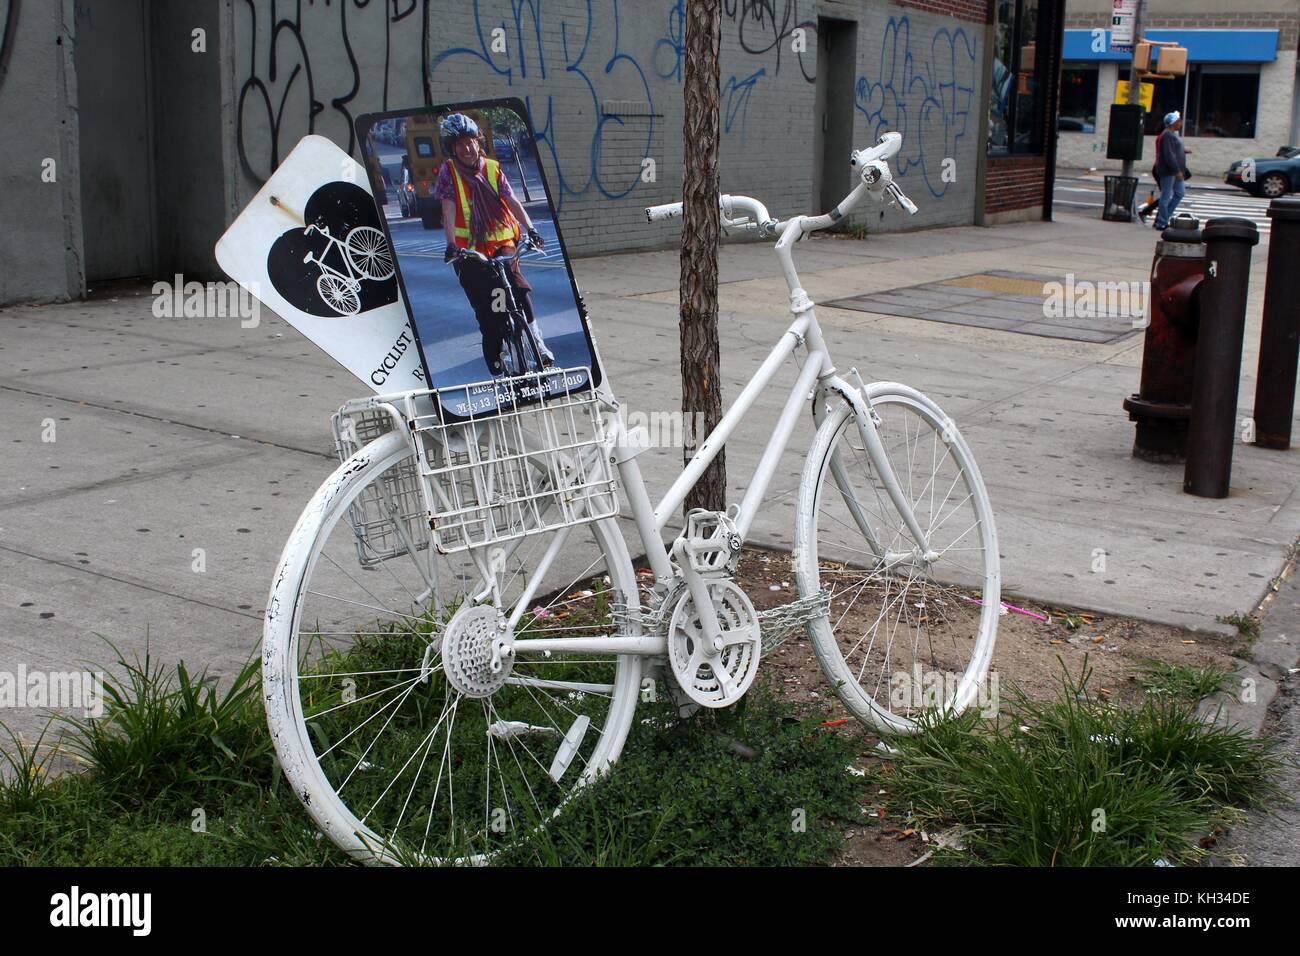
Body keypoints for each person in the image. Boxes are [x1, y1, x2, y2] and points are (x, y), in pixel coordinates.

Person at [435, 113, 554, 374]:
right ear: (452, 149)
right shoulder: (448, 172)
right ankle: (499, 359)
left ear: (479, 142)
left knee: (519, 290)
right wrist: (451, 244)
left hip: (502, 243)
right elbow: (448, 208)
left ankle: (538, 344)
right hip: (470, 252)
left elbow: (511, 200)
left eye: (471, 142)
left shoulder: (492, 168)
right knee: (490, 313)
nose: (467, 149)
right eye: (460, 144)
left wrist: (531, 229)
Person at [1152, 111, 1187, 231]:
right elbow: (1168, 155)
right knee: (1166, 197)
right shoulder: (1167, 135)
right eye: (1178, 121)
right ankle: (1162, 222)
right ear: (1173, 123)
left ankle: (1165, 218)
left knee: (1180, 193)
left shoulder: (1172, 134)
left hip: (1174, 170)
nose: (1180, 123)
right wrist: (1177, 171)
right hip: (1169, 171)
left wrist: (1183, 150)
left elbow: (1173, 150)